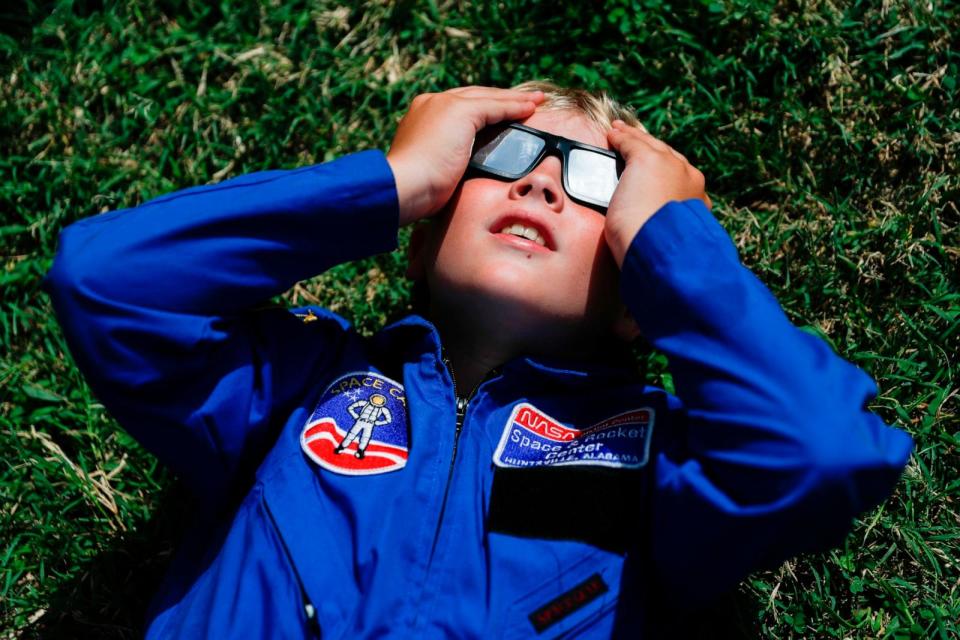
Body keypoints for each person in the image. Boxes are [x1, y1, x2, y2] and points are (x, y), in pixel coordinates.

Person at [43, 82, 914, 638]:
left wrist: (671, 247)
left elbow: (819, 451)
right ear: (420, 243)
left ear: (634, 297)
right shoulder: (295, 389)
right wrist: (388, 181)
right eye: (502, 158)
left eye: (596, 182)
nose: (538, 184)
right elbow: (107, 284)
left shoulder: (653, 467)